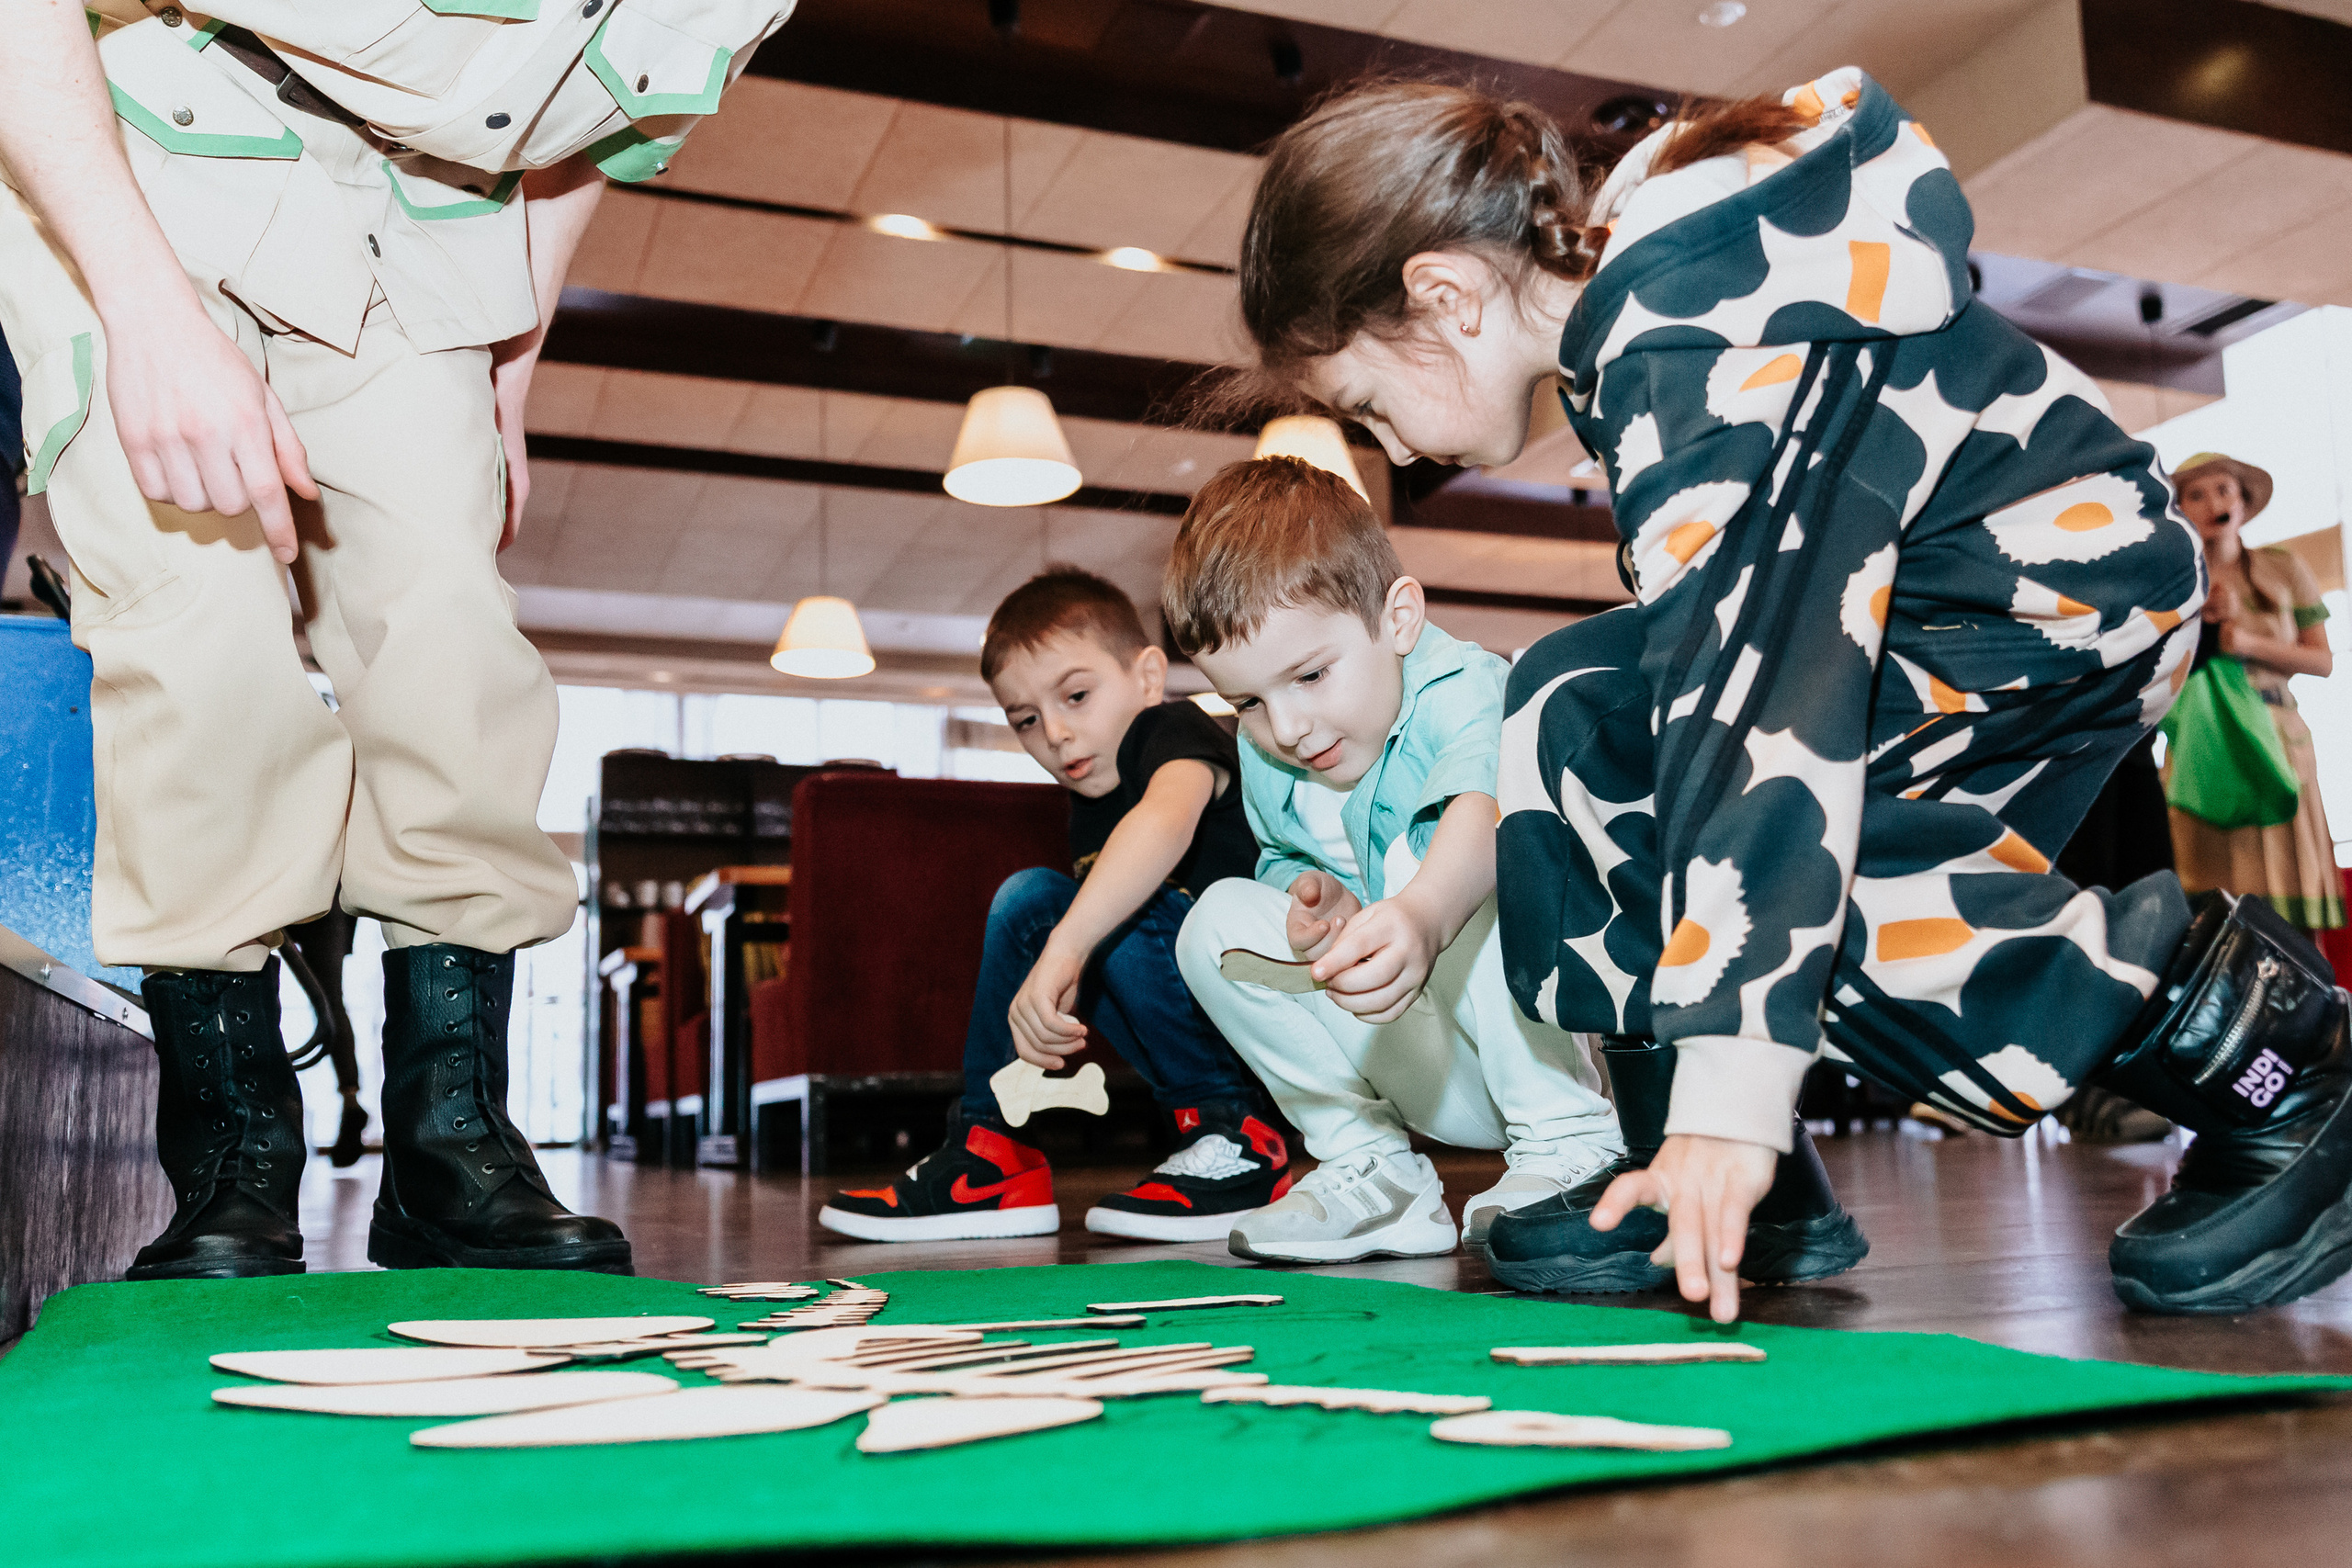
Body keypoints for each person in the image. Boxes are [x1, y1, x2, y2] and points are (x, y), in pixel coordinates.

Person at [1227, 68, 2351, 1321]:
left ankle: (2290, 1069)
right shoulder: (1649, 325)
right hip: (1957, 594)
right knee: (1570, 700)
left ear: (1443, 295)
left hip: (2041, 605)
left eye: (1368, 402)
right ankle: (1693, 1168)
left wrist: (1736, 1091)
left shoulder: (1698, 357)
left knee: (1799, 875)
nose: (1386, 447)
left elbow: (1758, 712)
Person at [0, 0, 801, 1279]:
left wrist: (514, 363)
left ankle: (450, 1143)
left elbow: (590, 110)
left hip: (418, 219)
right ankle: (234, 1152)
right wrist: (145, 315)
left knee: (450, 638)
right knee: (200, 638)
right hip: (119, 149)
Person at [1167, 457, 1630, 1265]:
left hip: (1543, 1045)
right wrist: (1314, 903)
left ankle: (1571, 1144)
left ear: (1399, 620)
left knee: (1461, 861)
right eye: (1248, 700)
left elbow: (1486, 810)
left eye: (1310, 674)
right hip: (1415, 1053)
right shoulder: (1270, 756)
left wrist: (1418, 908)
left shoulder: (1465, 686)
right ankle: (1369, 1167)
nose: (1289, 727)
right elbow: (1283, 859)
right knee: (1210, 924)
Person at [820, 568, 1291, 1244]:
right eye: (1027, 720)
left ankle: (1238, 1137)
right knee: (1028, 897)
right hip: (1197, 1033)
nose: (1057, 734)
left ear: (1149, 675)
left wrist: (1066, 948)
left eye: (1076, 695)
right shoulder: (1087, 807)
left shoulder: (1172, 730)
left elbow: (1165, 822)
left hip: (1275, 1030)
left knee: (1108, 901)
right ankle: (989, 1153)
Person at [2167, 453, 2342, 934]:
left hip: (2281, 742)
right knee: (2210, 918)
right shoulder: (2172, 586)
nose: (2212, 503)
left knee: (2297, 917)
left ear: (2243, 502)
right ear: (2179, 509)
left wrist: (2245, 643)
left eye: (2224, 490)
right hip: (2201, 746)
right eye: (2195, 495)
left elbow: (2322, 661)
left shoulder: (2285, 568)